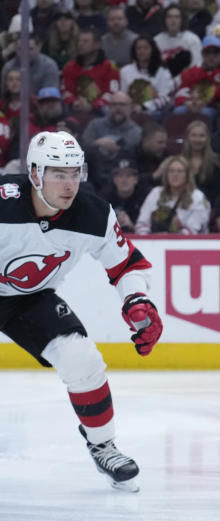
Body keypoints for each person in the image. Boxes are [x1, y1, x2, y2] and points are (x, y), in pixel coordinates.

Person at [0, 131, 162, 492]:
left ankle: (103, 444)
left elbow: (127, 265)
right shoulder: (2, 200)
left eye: (75, 172)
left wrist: (138, 301)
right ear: (35, 174)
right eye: (59, 173)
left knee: (82, 360)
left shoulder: (94, 214)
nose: (69, 183)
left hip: (29, 298)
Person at [135, 155, 212, 234]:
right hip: (153, 243)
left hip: (190, 244)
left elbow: (192, 231)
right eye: (171, 171)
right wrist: (150, 239)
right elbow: (141, 224)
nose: (175, 175)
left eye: (179, 171)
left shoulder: (198, 198)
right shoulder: (156, 193)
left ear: (187, 175)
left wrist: (168, 238)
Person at [120, 36, 175, 114]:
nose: (142, 51)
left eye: (146, 48)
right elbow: (123, 95)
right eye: (138, 48)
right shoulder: (125, 71)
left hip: (154, 111)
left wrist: (144, 106)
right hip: (130, 110)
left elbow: (165, 97)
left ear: (152, 50)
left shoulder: (162, 71)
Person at [103, 153, 151, 233]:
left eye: (128, 176)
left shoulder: (145, 197)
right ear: (114, 179)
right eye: (120, 176)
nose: (124, 180)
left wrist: (132, 225)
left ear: (136, 179)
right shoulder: (104, 198)